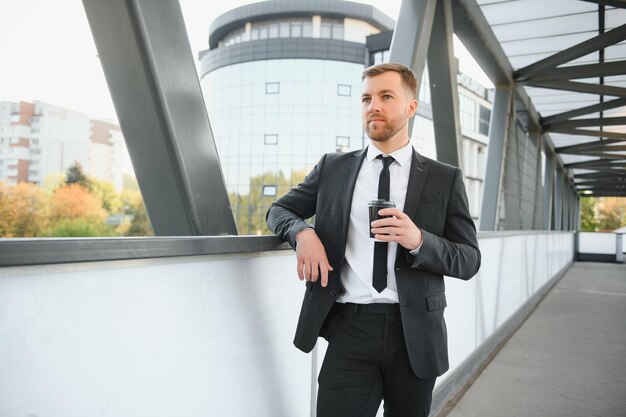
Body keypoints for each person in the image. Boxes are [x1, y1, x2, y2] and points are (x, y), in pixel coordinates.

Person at [266, 62, 481, 417]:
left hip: (414, 335)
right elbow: (279, 210)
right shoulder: (334, 168)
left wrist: (419, 240)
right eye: (366, 98)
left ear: (411, 107)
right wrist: (302, 233)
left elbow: (469, 259)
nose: (373, 106)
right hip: (349, 329)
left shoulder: (445, 179)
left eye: (385, 96)